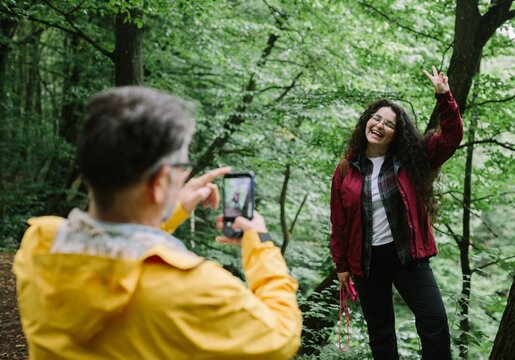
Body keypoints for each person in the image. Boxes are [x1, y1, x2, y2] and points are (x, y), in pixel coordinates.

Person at [14, 86, 301, 359]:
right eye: (181, 168)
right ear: (160, 181)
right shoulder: (194, 289)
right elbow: (281, 337)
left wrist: (172, 207)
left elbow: (117, 247)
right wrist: (260, 245)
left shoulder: (39, 245)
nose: (184, 175)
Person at [330, 66, 463, 359]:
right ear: (366, 122)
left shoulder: (412, 159)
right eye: (375, 118)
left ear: (396, 132)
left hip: (407, 257)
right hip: (366, 262)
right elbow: (338, 223)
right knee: (380, 334)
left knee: (435, 321)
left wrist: (444, 96)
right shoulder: (345, 169)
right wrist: (341, 265)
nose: (379, 125)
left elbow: (452, 136)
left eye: (388, 123)